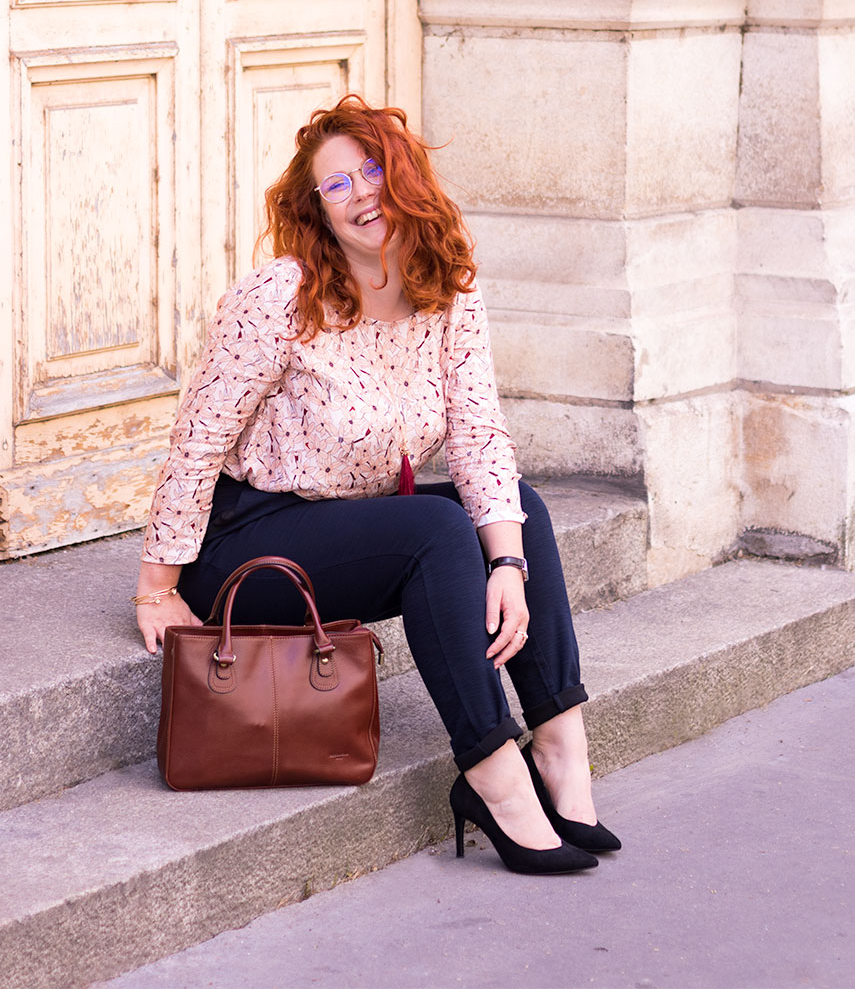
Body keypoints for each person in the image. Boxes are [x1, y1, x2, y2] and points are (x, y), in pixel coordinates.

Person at [134, 94, 620, 874]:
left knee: (516, 509)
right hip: (251, 543)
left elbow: (479, 433)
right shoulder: (281, 299)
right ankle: (493, 776)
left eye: (374, 171)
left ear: (405, 181)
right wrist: (158, 586)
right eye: (337, 185)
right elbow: (200, 436)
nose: (362, 193)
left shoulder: (446, 289)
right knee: (432, 530)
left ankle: (562, 750)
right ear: (318, 210)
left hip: (357, 527)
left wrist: (507, 566)